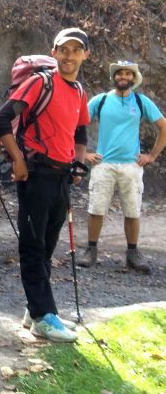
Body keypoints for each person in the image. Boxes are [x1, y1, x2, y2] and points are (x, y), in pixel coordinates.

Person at [0, 27, 91, 343]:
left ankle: (35, 308)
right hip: (36, 173)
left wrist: (78, 162)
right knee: (33, 245)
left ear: (85, 55)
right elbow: (1, 119)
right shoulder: (40, 83)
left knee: (47, 245)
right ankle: (43, 318)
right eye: (64, 49)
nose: (69, 55)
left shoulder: (79, 92)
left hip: (62, 177)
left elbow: (80, 132)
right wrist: (18, 160)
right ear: (54, 51)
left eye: (76, 50)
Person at [79, 60, 166, 273]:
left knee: (132, 211)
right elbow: (77, 125)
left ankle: (133, 253)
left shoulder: (140, 101)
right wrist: (84, 154)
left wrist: (152, 155)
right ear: (114, 77)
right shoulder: (101, 101)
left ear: (133, 79)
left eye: (128, 74)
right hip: (103, 164)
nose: (123, 77)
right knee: (96, 209)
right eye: (120, 74)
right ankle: (91, 250)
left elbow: (163, 126)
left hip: (131, 166)